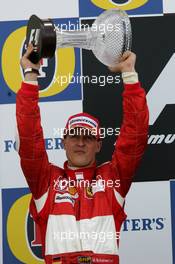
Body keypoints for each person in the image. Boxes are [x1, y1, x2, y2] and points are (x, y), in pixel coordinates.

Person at [16, 44, 149, 264]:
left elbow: (135, 137)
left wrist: (130, 75)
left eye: (88, 137)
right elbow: (29, 138)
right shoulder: (46, 181)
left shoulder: (112, 178)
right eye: (74, 136)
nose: (80, 142)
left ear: (98, 145)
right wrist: (30, 75)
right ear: (63, 142)